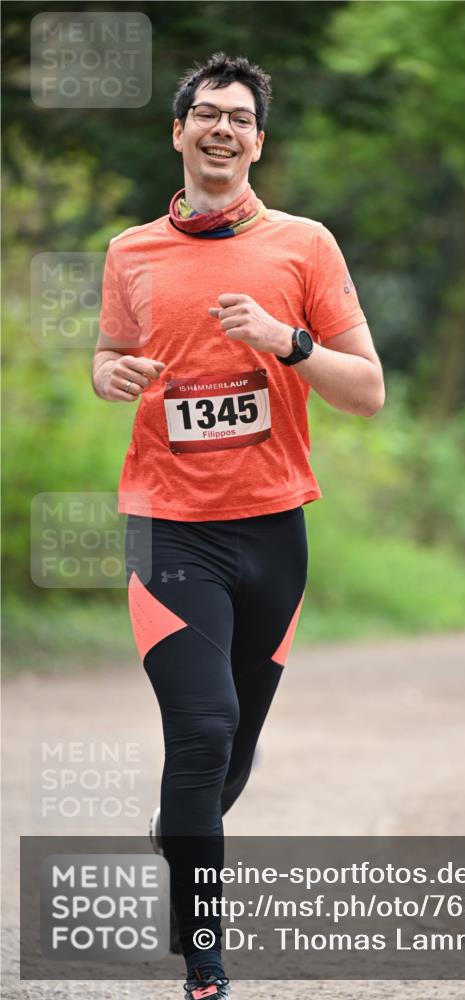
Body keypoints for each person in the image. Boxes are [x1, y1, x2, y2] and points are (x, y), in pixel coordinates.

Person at [91, 52, 384, 999]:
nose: (223, 128)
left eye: (241, 118)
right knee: (204, 732)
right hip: (166, 528)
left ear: (260, 141)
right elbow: (109, 354)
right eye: (206, 113)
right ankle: (204, 956)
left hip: (271, 534)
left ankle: (180, 836)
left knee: (233, 753)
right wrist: (109, 374)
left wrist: (285, 342)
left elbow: (368, 393)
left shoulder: (304, 246)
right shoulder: (131, 251)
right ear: (177, 132)